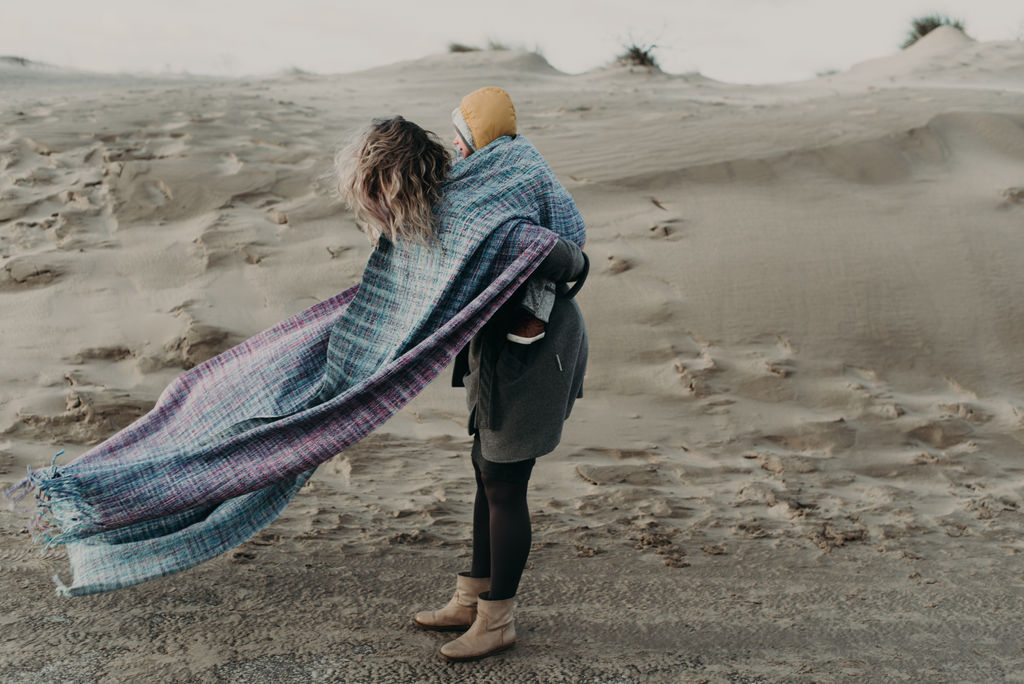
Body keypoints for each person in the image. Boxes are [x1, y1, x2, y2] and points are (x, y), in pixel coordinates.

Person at [403, 87, 589, 661]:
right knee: (487, 470)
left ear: (474, 140)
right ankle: (472, 597)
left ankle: (498, 619)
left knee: (506, 484)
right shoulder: (481, 181)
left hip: (535, 353)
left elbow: (571, 254)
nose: (457, 151)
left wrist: (538, 257)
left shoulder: (512, 175)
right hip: (496, 351)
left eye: (460, 139)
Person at [451, 87, 561, 346]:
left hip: (538, 239)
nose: (454, 141)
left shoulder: (521, 157)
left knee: (538, 258)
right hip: (495, 250)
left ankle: (534, 315)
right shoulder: (469, 166)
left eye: (459, 134)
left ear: (474, 135)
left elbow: (548, 198)